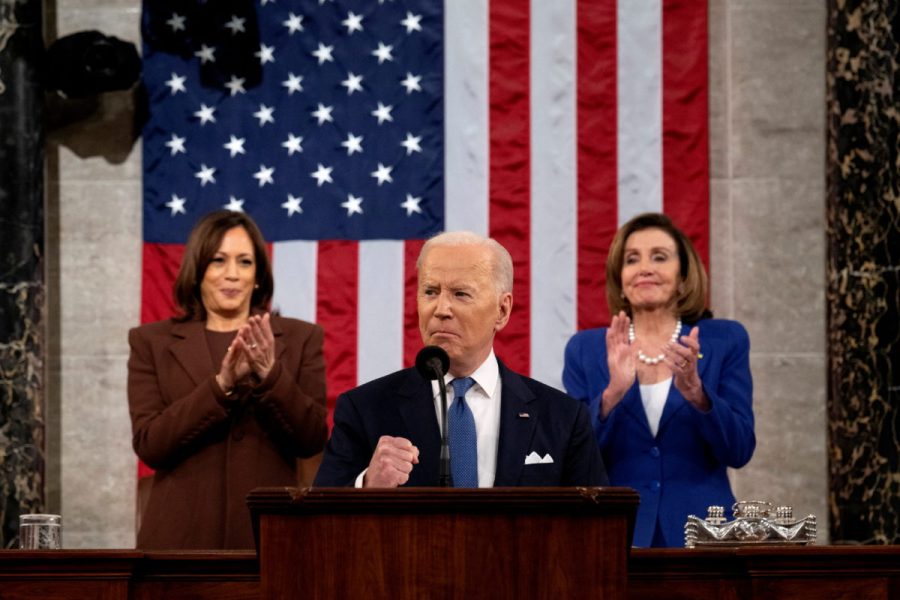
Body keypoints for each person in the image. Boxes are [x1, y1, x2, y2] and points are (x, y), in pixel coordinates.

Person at [314, 231, 607, 488]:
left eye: (460, 294)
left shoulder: (562, 418)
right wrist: (367, 487)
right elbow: (319, 525)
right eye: (430, 292)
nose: (441, 308)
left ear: (502, 311)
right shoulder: (365, 410)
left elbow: (596, 531)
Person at [128, 210, 328, 549]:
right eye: (218, 261)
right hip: (179, 543)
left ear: (259, 276)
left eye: (245, 262)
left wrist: (270, 375)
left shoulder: (300, 338)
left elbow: (311, 438)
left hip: (270, 539)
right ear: (198, 271)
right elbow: (150, 444)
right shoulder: (151, 342)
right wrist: (220, 386)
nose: (232, 274)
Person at [563, 212, 755, 547]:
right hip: (615, 535)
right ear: (621, 279)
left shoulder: (725, 340)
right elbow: (574, 459)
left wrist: (698, 396)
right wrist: (612, 395)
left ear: (683, 277)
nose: (645, 268)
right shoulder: (586, 349)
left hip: (703, 536)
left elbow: (739, 450)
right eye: (632, 259)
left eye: (660, 257)